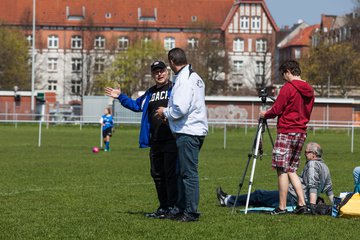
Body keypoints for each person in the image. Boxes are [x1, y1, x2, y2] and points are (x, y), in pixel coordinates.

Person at [105, 60, 178, 219]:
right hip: (155, 140)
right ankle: (163, 207)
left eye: (162, 71)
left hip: (172, 139)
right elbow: (136, 105)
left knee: (171, 175)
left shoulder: (175, 89)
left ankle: (174, 207)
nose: (159, 74)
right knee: (157, 174)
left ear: (167, 71)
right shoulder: (150, 93)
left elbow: (182, 108)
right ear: (152, 75)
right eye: (156, 72)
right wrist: (120, 97)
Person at [156, 48, 208, 222]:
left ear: (171, 62)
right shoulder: (195, 77)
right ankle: (179, 208)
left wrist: (166, 112)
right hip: (192, 130)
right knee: (181, 173)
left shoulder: (184, 80)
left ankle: (191, 212)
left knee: (188, 174)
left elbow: (180, 108)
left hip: (188, 132)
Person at [259, 60, 315, 215]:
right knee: (292, 169)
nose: (284, 78)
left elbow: (277, 109)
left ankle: (282, 207)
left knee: (281, 169)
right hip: (301, 132)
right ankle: (302, 203)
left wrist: (265, 114)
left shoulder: (288, 88)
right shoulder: (309, 89)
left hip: (286, 132)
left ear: (289, 71)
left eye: (284, 75)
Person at [217, 142, 334, 211]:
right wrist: (334, 205)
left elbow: (312, 185)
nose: (304, 154)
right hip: (296, 197)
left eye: (306, 152)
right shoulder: (325, 167)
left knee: (259, 195)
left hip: (292, 197)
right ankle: (231, 199)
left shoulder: (312, 164)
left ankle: (228, 200)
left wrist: (312, 206)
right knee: (261, 198)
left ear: (313, 155)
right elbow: (329, 189)